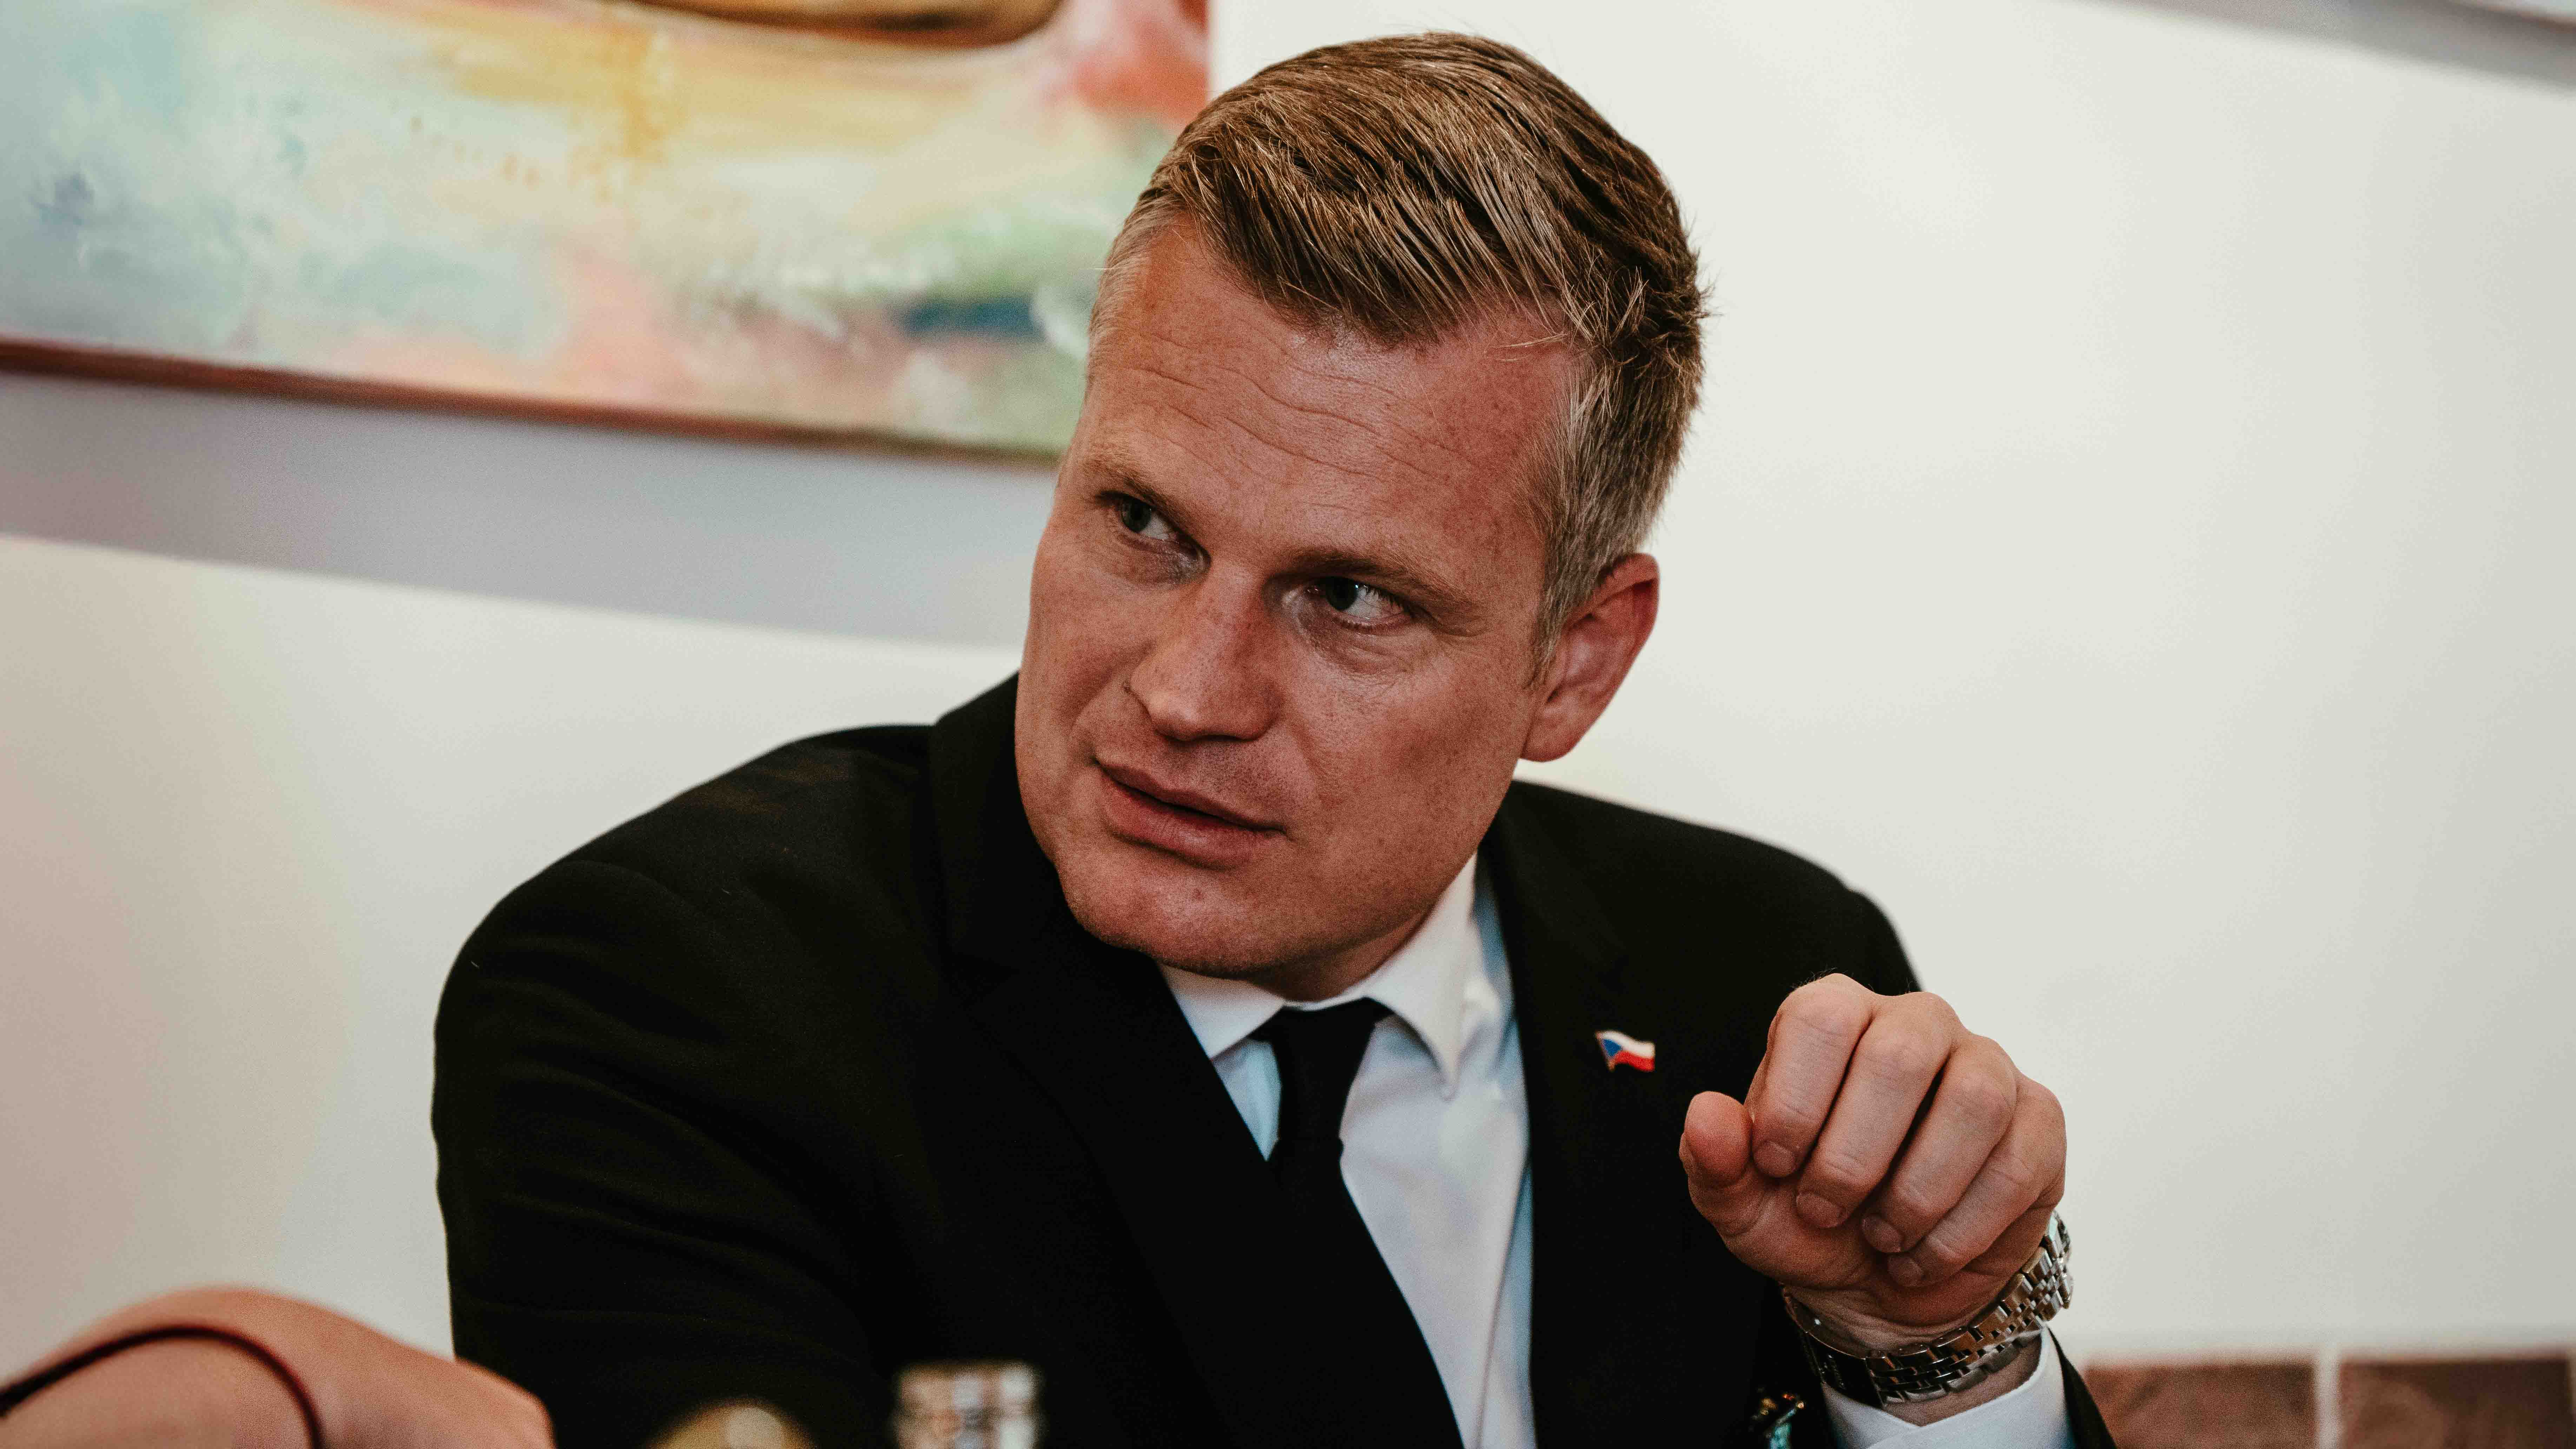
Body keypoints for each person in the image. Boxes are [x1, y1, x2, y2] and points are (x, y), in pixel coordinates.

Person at [435, 33, 2115, 1449]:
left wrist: (1928, 1356)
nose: (1186, 691)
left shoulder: (1758, 978)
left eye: (1348, 598)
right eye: (1143, 525)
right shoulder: (671, 995)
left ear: (1574, 662)